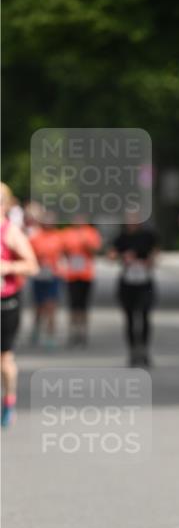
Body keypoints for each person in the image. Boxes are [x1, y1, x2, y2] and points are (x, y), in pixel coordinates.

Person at [1, 183, 38, 427]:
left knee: (4, 360)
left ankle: (9, 401)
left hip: (6, 302)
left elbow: (32, 265)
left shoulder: (10, 232)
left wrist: (8, 267)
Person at [108, 211, 159, 367]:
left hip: (144, 281)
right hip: (127, 282)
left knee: (144, 316)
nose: (132, 222)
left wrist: (150, 261)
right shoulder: (121, 237)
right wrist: (122, 257)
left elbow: (156, 252)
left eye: (135, 218)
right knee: (129, 318)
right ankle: (132, 352)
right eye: (129, 218)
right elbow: (110, 255)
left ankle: (144, 350)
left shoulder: (147, 236)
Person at [60, 215, 102, 346]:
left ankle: (83, 333)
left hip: (86, 274)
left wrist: (86, 244)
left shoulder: (91, 232)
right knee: (73, 306)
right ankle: (73, 333)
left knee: (83, 306)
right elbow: (62, 251)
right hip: (72, 274)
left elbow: (96, 250)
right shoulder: (66, 233)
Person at [28, 208, 65, 349]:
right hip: (39, 276)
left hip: (53, 276)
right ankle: (36, 330)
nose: (49, 223)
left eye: (51, 221)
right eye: (46, 220)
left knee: (51, 307)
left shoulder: (59, 237)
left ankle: (50, 336)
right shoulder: (35, 238)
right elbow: (29, 256)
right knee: (38, 307)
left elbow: (64, 254)